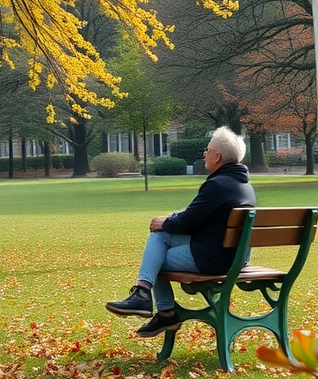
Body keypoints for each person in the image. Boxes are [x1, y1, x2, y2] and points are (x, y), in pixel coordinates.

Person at [105, 126, 256, 339]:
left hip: (213, 259)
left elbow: (188, 222)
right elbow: (199, 217)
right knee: (161, 235)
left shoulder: (217, 185)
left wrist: (166, 222)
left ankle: (155, 303)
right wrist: (170, 220)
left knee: (156, 252)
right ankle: (152, 301)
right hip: (236, 257)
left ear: (218, 156)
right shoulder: (244, 185)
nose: (205, 153)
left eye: (208, 149)